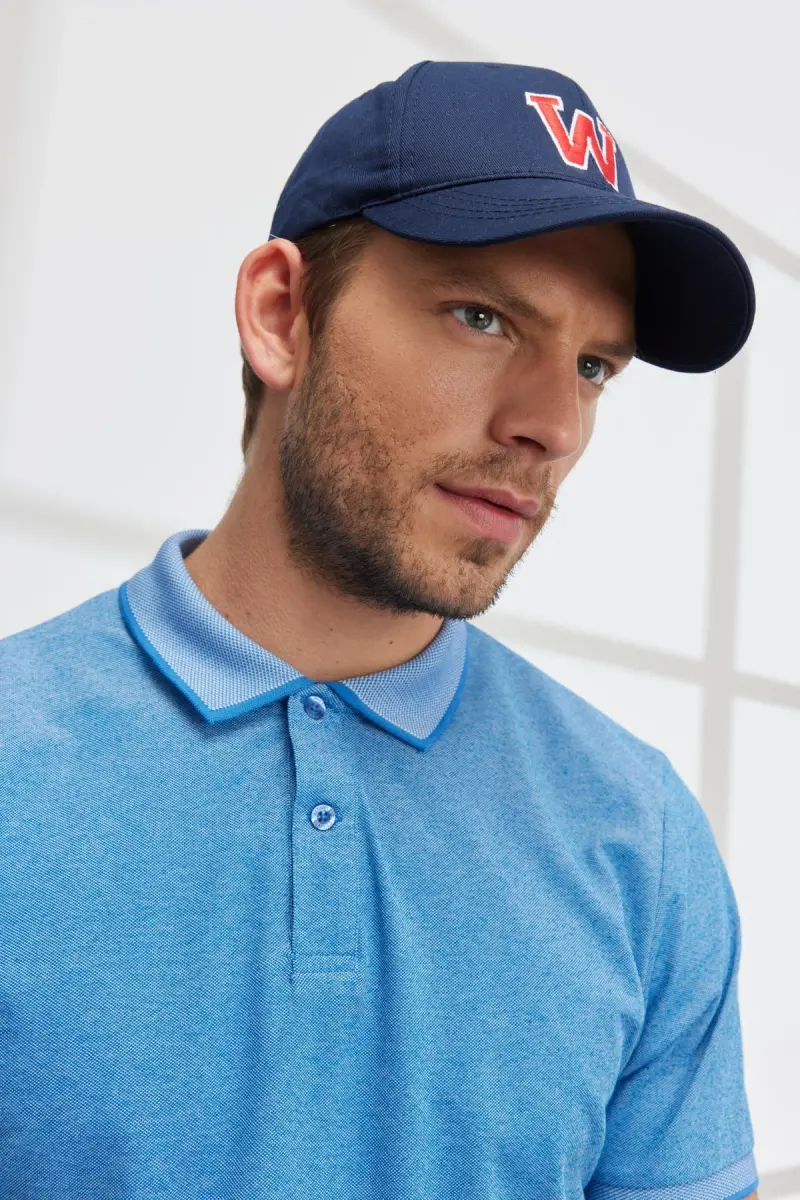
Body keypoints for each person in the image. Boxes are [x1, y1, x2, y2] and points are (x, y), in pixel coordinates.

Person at [0, 60, 759, 1200]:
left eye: (594, 365)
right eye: (481, 317)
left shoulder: (636, 835)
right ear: (281, 315)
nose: (552, 424)